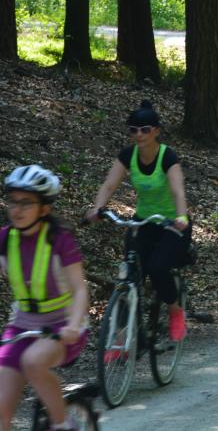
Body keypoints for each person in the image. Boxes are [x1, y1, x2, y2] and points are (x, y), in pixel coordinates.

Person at [86, 101, 192, 341]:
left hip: (171, 223)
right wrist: (97, 208)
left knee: (157, 268)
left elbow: (178, 191)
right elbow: (109, 184)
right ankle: (122, 337)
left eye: (145, 129)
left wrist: (181, 216)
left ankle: (175, 310)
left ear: (156, 131)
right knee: (129, 274)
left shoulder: (167, 156)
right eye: (133, 130)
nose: (139, 135)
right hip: (144, 222)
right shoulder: (128, 155)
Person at [0, 166, 89, 431]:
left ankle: (62, 424)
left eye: (26, 202)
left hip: (63, 325)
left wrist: (73, 326)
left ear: (44, 209)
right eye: (13, 201)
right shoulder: (5, 238)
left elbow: (80, 289)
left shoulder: (60, 240)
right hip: (22, 325)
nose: (17, 209)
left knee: (33, 362)